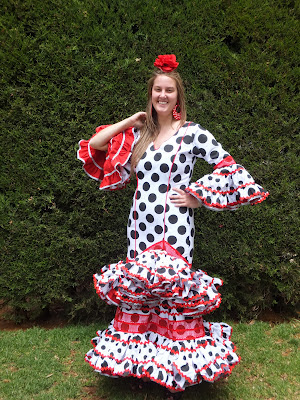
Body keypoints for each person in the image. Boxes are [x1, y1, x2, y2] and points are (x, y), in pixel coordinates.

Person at [77, 54, 269, 398]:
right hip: (139, 227)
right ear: (150, 95)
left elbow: (228, 166)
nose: (162, 96)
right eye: (157, 91)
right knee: (141, 293)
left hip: (176, 228)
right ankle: (140, 365)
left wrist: (197, 196)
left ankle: (176, 365)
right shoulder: (139, 134)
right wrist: (130, 121)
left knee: (172, 294)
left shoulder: (192, 133)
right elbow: (95, 146)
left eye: (169, 91)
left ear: (178, 97)